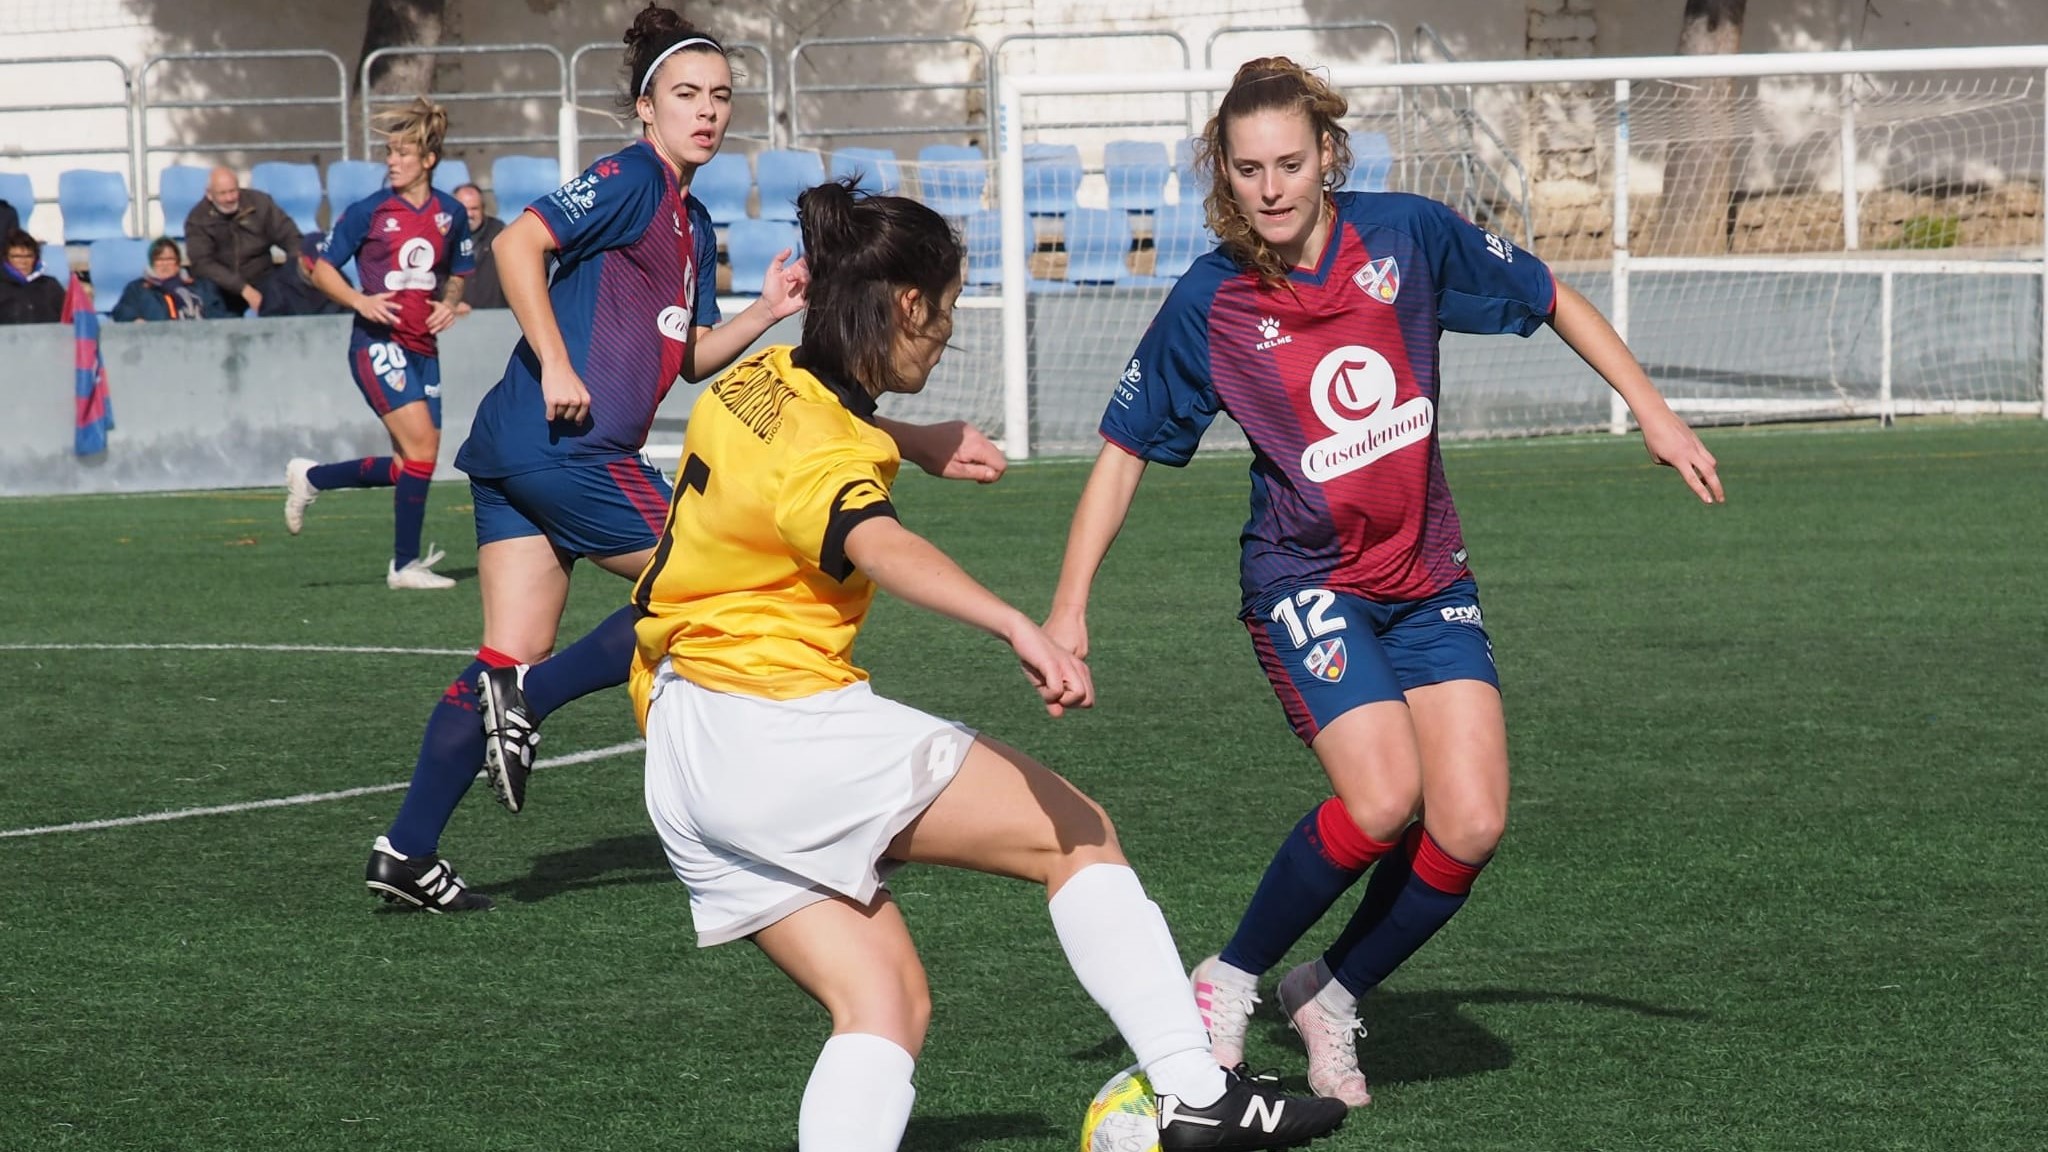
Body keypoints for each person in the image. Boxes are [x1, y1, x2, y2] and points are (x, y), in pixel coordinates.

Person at [1044, 57, 1726, 1108]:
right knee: (1381, 797)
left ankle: (1329, 990)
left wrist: (1652, 408)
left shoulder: (1405, 236)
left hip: (1424, 578)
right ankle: (1226, 978)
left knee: (1469, 822)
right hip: (1301, 578)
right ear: (1222, 176)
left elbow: (1549, 294)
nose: (1270, 188)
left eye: (1288, 162)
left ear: (1326, 154)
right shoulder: (1210, 301)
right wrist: (1069, 605)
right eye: (1246, 170)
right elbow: (1123, 449)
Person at [632, 177, 1348, 1152]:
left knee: (883, 1006)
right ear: (908, 307)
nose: (948, 332)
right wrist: (1016, 624)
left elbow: (814, 437)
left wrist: (914, 441)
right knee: (1077, 833)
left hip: (681, 748)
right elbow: (871, 537)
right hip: (779, 730)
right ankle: (1192, 1091)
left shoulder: (753, 380)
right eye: (950, 309)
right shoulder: (825, 459)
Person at [357, 6, 1006, 912]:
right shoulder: (630, 178)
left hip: (518, 453)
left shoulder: (690, 223)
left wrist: (766, 313)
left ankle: (407, 847)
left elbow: (687, 355)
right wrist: (553, 360)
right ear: (644, 107)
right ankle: (535, 702)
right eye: (686, 95)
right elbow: (516, 244)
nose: (706, 111)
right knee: (709, 587)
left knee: (503, 655)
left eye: (720, 97)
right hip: (568, 445)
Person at [284, 97, 473, 589]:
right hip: (376, 342)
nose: (392, 162)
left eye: (402, 153)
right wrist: (359, 301)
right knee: (425, 450)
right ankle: (403, 566)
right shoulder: (368, 211)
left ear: (428, 161)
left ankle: (313, 477)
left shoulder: (451, 213)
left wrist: (449, 302)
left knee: (408, 464)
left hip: (423, 348)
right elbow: (321, 269)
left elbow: (458, 273)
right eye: (389, 153)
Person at [184, 166, 302, 317]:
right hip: (220, 285)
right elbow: (202, 263)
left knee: (285, 292)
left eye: (233, 191)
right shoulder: (197, 218)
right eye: (222, 193)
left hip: (262, 277)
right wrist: (243, 289)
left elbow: (290, 236)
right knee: (206, 294)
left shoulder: (260, 203)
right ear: (209, 195)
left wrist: (294, 269)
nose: (229, 198)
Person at [110, 237, 229, 322]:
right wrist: (135, 321)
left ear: (178, 262)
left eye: (170, 259)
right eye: (159, 260)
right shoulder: (137, 289)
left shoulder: (201, 287)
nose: (164, 264)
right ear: (152, 263)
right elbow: (121, 312)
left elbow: (219, 315)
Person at [447, 183, 506, 310]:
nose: (469, 214)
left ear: (483, 209)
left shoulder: (500, 235)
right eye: (463, 208)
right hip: (453, 320)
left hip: (497, 319)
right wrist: (451, 303)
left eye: (474, 208)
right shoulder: (442, 236)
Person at [0, 230, 64, 325]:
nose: (23, 261)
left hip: (48, 338)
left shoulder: (50, 286)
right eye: (16, 257)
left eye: (29, 256)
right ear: (6, 258)